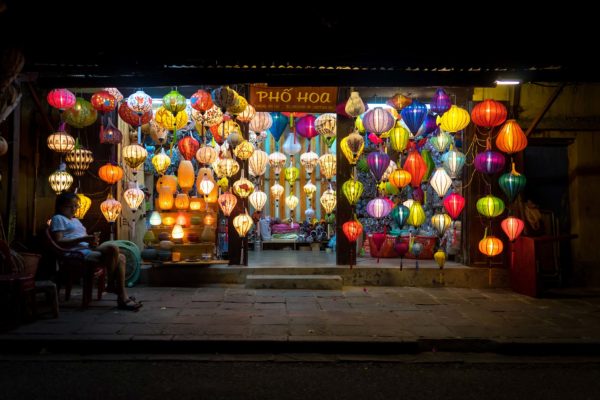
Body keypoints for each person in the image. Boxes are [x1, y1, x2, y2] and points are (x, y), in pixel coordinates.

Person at [50, 192, 142, 311]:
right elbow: (59, 241)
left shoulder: (75, 220)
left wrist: (91, 240)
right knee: (114, 251)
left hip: (87, 249)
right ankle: (119, 293)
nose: (74, 209)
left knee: (120, 256)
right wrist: (83, 239)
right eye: (70, 206)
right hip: (76, 253)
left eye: (75, 206)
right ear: (60, 206)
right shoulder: (58, 218)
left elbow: (82, 237)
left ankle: (116, 291)